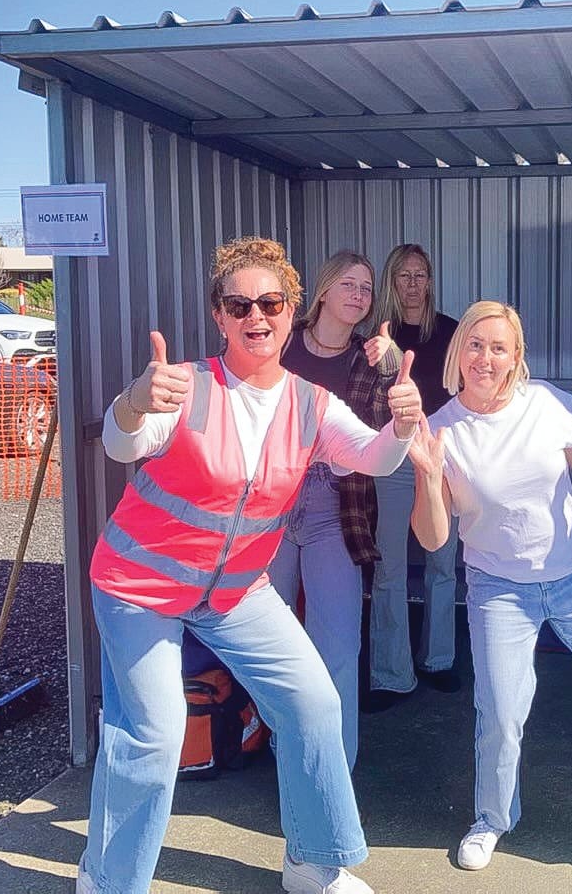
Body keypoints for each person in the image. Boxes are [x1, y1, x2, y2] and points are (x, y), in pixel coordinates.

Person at [78, 236, 424, 894]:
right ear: (219, 315)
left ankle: (312, 865)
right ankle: (107, 880)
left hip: (233, 591)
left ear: (292, 309)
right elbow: (124, 441)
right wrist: (134, 397)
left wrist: (402, 426)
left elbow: (374, 457)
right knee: (153, 735)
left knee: (316, 704)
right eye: (239, 305)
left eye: (269, 302)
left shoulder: (310, 403)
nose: (255, 316)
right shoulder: (186, 384)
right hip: (140, 587)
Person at [406, 300, 572, 891]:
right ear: (459, 352)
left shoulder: (548, 403)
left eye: (499, 347)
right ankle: (492, 817)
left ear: (515, 356)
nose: (486, 357)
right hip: (498, 588)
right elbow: (433, 535)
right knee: (501, 714)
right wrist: (428, 477)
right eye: (475, 344)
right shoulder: (442, 428)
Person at [269, 250, 401, 768]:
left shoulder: (368, 358)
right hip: (271, 504)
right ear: (323, 290)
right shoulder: (278, 344)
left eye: (366, 287)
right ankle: (284, 748)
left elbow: (382, 426)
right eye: (349, 283)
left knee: (338, 641)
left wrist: (389, 364)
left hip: (333, 505)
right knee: (274, 641)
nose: (358, 294)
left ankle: (336, 764)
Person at [365, 243, 462, 712]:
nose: (412, 284)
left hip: (441, 458)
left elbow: (466, 395)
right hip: (394, 457)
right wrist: (385, 356)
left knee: (443, 564)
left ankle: (439, 660)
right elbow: (365, 400)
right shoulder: (376, 334)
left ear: (430, 280)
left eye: (420, 274)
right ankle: (390, 673)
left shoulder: (450, 331)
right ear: (391, 280)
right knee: (389, 567)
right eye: (403, 275)